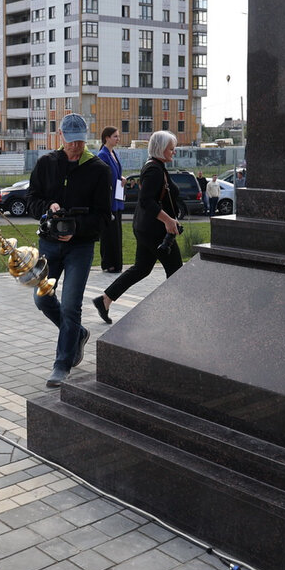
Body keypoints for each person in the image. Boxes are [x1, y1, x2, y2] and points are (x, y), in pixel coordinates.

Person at [26, 113, 112, 388]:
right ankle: (78, 334)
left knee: (72, 305)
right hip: (49, 244)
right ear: (60, 136)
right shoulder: (46, 163)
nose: (76, 146)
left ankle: (62, 365)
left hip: (80, 247)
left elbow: (104, 216)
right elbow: (31, 200)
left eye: (80, 141)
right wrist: (48, 208)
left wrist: (77, 228)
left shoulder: (98, 169)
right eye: (71, 140)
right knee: (42, 299)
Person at [92, 130, 183, 325]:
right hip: (154, 230)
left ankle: (105, 300)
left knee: (142, 268)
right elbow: (146, 201)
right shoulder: (154, 170)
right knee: (176, 271)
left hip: (146, 228)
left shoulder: (156, 166)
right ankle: (172, 314)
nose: (174, 152)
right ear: (161, 149)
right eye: (171, 149)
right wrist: (168, 220)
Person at [96, 126, 125, 273]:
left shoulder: (115, 154)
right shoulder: (103, 155)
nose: (118, 139)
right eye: (115, 136)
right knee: (109, 234)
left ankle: (117, 263)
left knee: (117, 233)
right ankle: (108, 263)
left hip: (117, 200)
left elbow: (115, 174)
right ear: (107, 138)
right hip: (108, 201)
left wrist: (122, 178)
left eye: (118, 136)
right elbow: (102, 178)